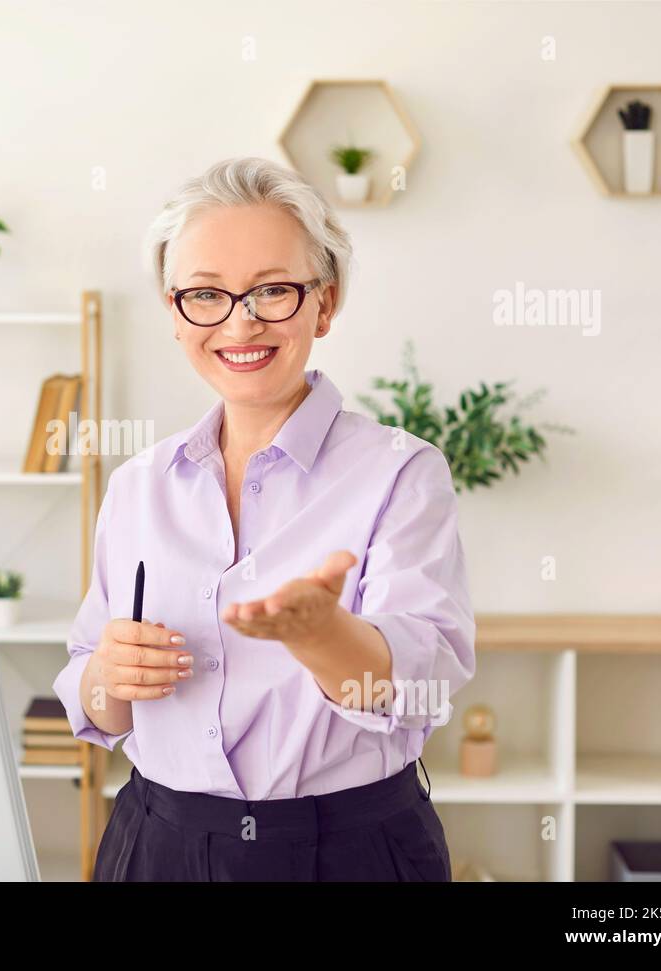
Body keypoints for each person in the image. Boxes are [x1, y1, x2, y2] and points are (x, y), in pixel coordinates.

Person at [52, 157, 475, 881]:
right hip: (157, 844)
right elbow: (99, 707)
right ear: (175, 310)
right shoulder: (136, 486)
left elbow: (421, 686)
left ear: (325, 303)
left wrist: (323, 634)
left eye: (273, 290)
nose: (240, 320)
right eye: (206, 294)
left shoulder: (402, 472)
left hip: (347, 850)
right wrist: (108, 674)